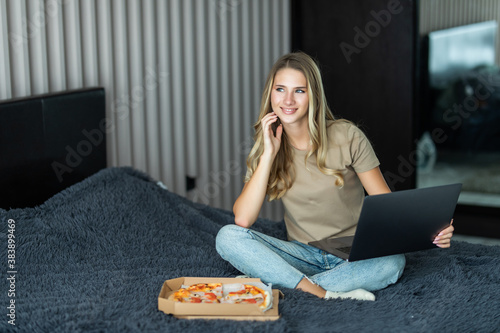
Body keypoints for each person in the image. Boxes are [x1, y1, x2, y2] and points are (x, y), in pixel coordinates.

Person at [215, 52, 454, 301]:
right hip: (302, 255)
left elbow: (387, 205)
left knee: (391, 263)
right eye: (280, 89)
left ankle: (283, 284)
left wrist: (431, 230)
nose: (288, 100)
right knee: (228, 237)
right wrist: (268, 156)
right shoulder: (267, 146)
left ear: (313, 96)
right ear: (270, 94)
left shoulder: (348, 136)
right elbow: (242, 220)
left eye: (299, 91)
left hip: (355, 251)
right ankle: (322, 291)